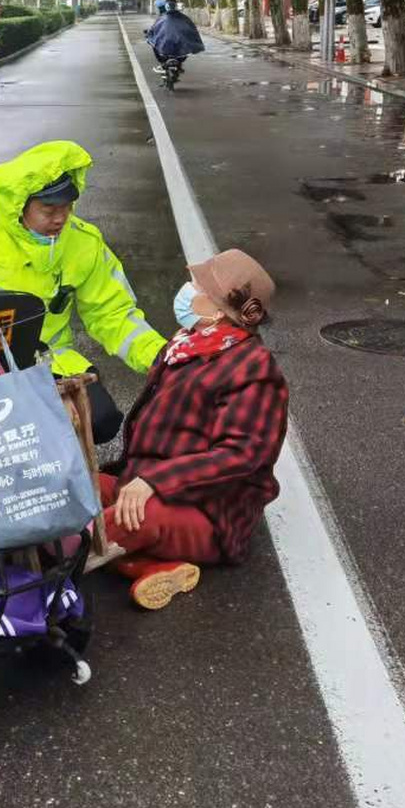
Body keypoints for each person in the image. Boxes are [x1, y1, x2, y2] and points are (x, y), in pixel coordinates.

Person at [0, 140, 166, 443]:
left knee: (101, 421)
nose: (61, 218)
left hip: (49, 362)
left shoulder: (84, 243)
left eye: (67, 207)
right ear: (19, 204)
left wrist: (164, 359)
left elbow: (113, 314)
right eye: (48, 209)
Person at [96, 249, 289, 609]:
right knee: (69, 491)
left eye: (197, 285)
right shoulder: (187, 344)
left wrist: (154, 482)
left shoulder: (254, 368)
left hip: (207, 511)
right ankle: (152, 565)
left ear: (218, 311)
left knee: (106, 527)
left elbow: (242, 454)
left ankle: (36, 569)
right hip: (148, 483)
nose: (186, 289)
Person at [146, 0, 205, 69]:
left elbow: (154, 29)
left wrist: (149, 35)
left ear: (166, 6)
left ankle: (164, 63)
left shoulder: (162, 18)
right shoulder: (184, 18)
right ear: (175, 5)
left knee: (154, 43)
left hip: (165, 45)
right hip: (180, 47)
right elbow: (192, 29)